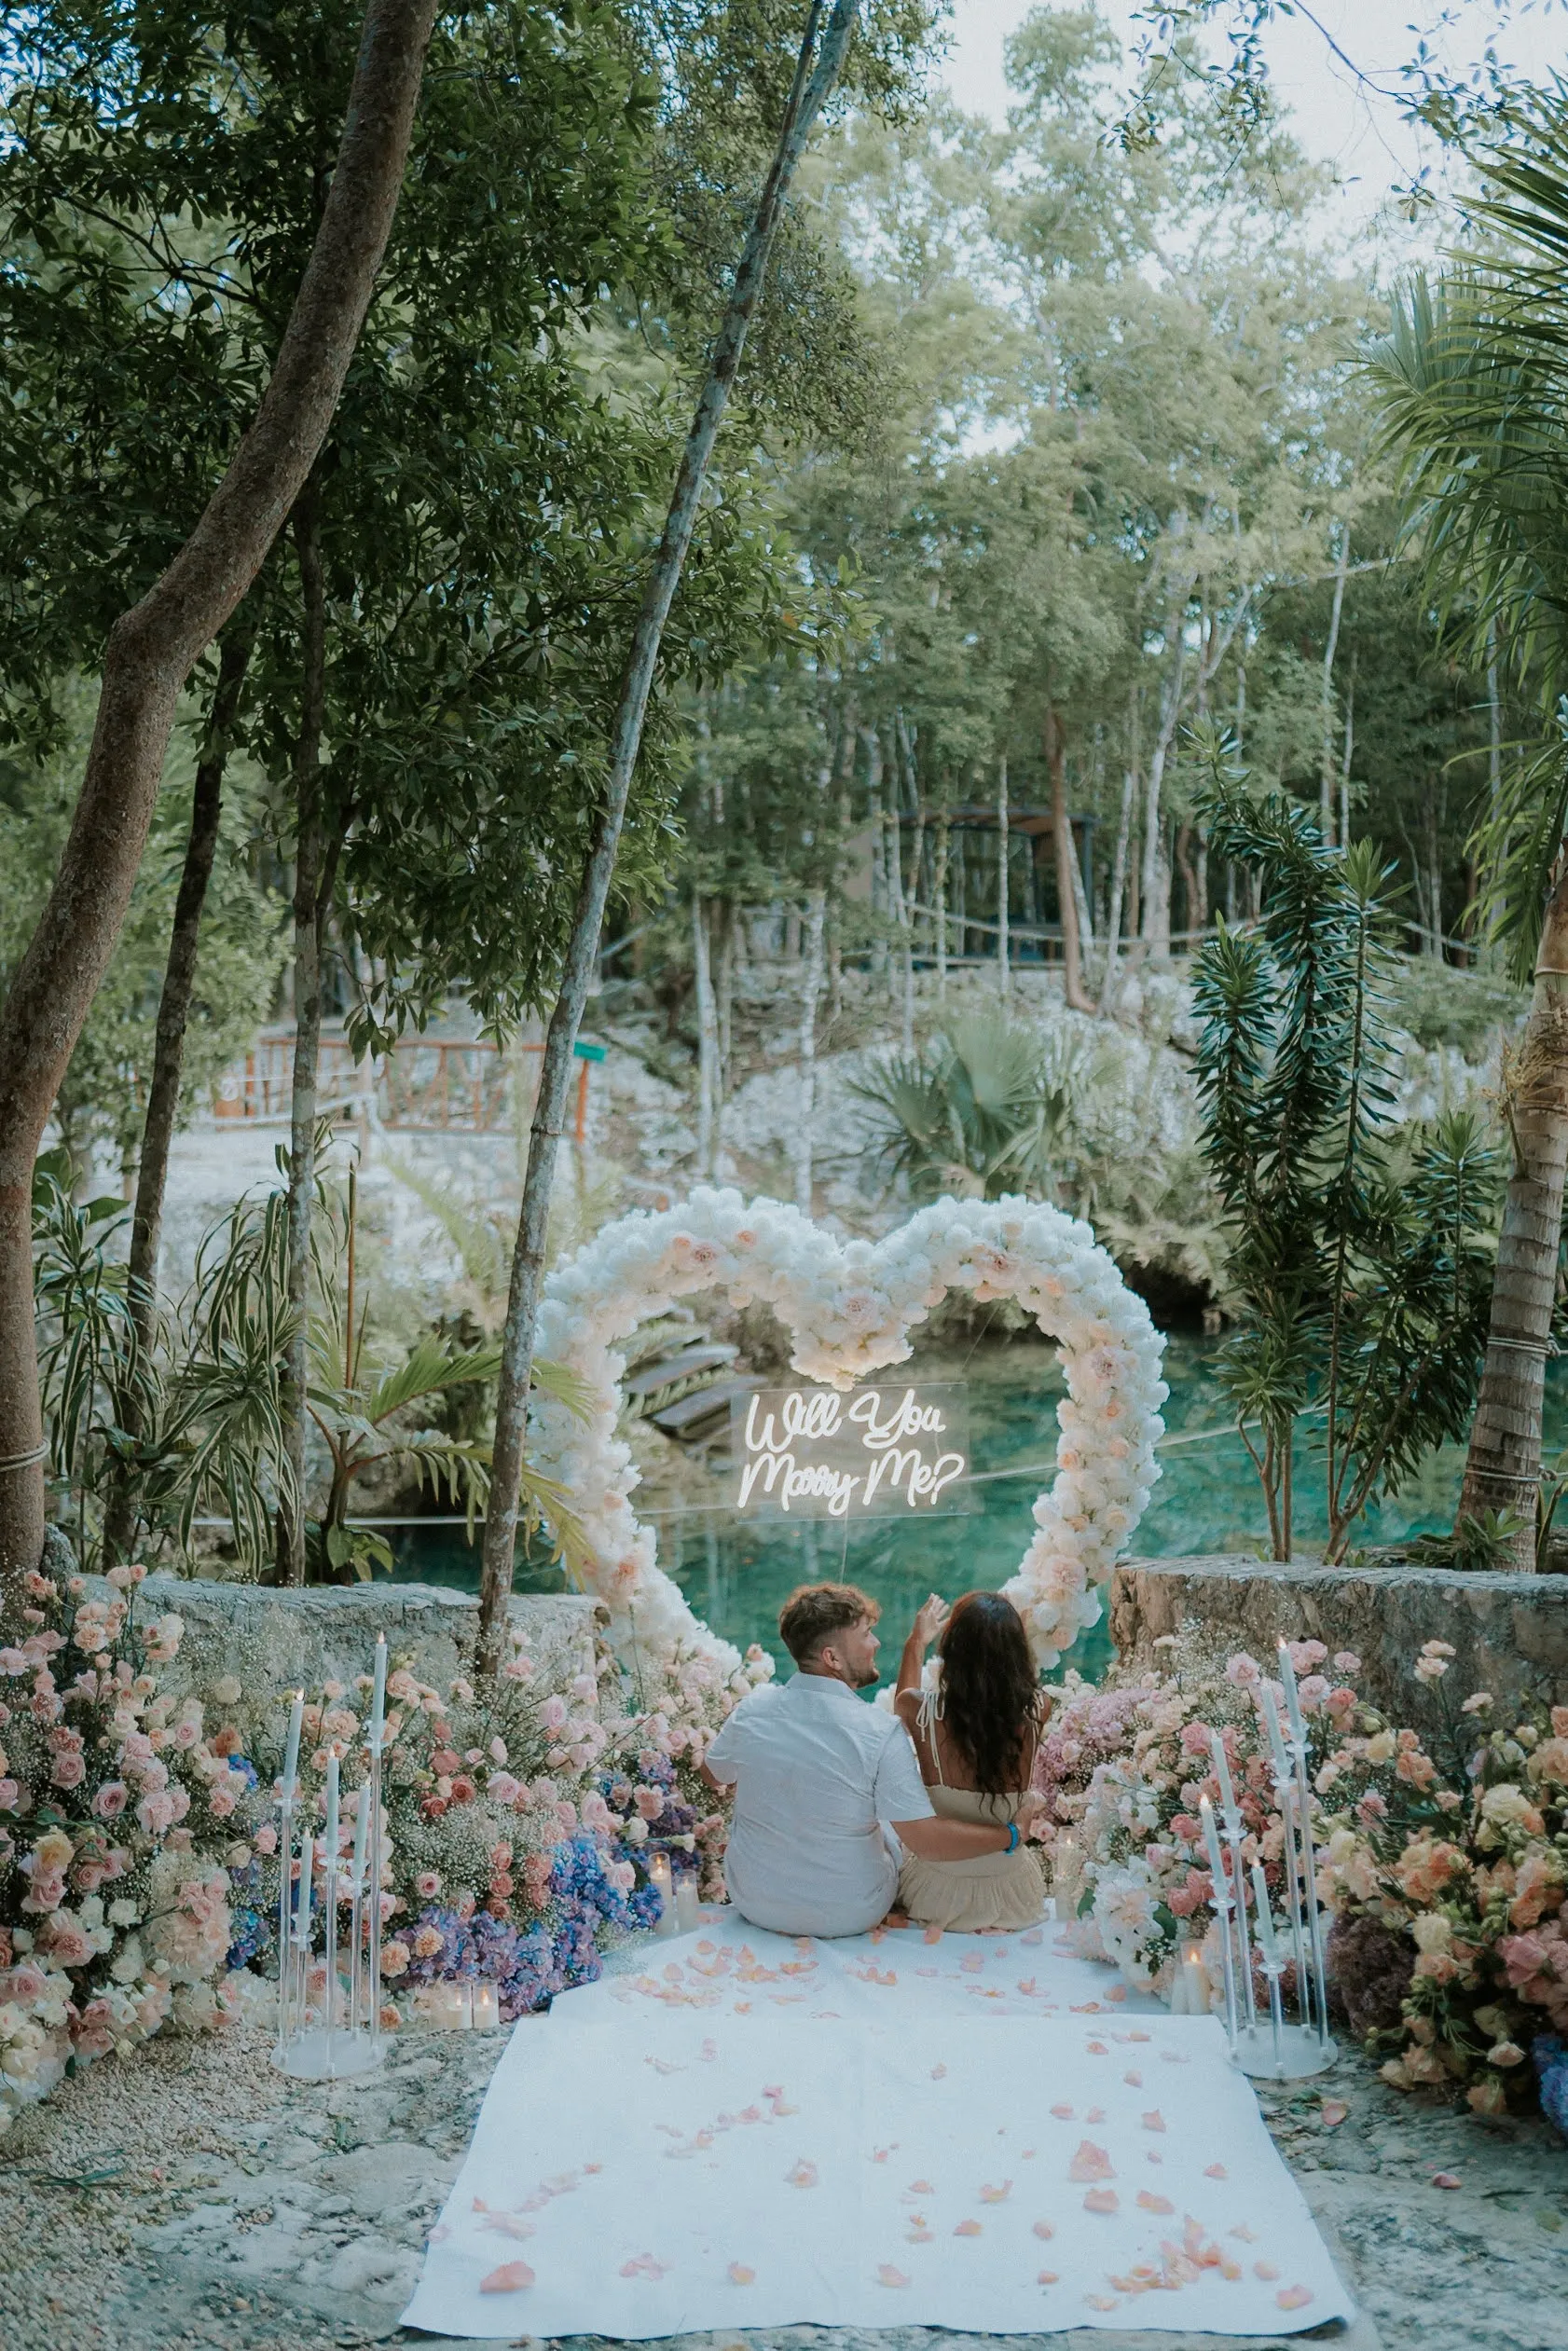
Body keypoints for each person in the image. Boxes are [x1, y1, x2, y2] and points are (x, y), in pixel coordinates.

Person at [702, 1581, 1044, 1939]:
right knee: (890, 1827)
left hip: (754, 1901)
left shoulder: (753, 1710)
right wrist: (1011, 1833)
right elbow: (927, 1842)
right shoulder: (878, 1731)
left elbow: (713, 1775)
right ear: (831, 1658)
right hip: (851, 1911)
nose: (877, 1644)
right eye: (866, 1634)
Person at [891, 1588, 1050, 1932]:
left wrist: (916, 1641)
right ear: (1017, 1652)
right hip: (1013, 1893)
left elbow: (900, 1703)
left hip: (936, 1895)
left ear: (952, 1650)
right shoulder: (1040, 1707)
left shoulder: (919, 1711)